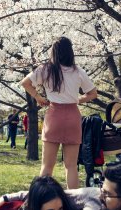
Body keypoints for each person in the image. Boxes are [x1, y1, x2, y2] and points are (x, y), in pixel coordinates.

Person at [21, 37, 98, 189]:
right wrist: (77, 100)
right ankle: (74, 203)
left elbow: (25, 83)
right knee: (71, 166)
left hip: (54, 115)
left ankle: (41, 199)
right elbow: (93, 93)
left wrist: (38, 97)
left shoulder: (46, 69)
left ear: (54, 52)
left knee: (47, 166)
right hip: (73, 117)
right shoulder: (78, 71)